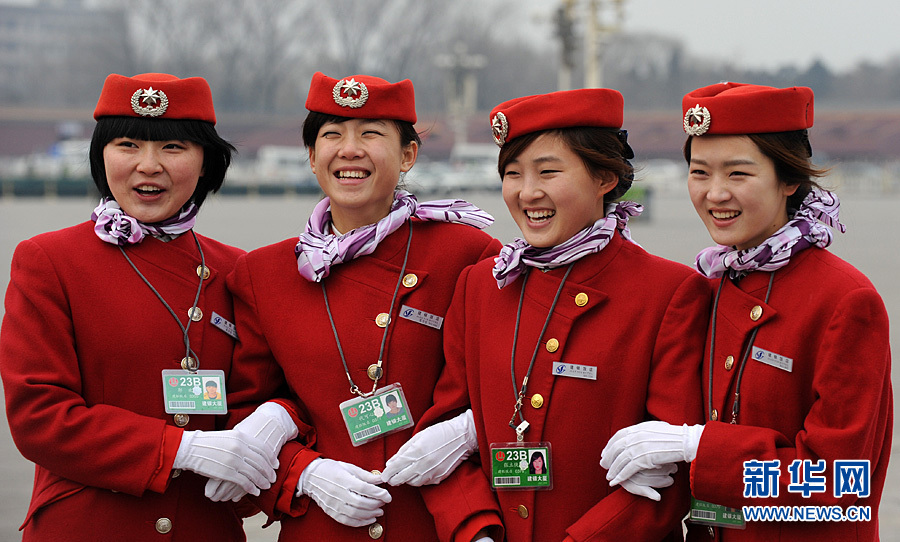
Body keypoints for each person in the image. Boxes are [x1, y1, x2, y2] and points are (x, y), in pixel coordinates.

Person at [381, 88, 710, 541]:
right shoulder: (482, 286)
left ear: (605, 178)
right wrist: (475, 531)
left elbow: (668, 471)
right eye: (512, 174)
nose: (527, 192)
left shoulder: (669, 292)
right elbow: (444, 438)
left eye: (548, 172)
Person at [0, 73, 304, 541]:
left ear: (206, 163)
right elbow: (39, 417)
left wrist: (277, 417)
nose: (148, 165)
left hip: (204, 528)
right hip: (88, 527)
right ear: (101, 155)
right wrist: (180, 449)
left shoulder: (238, 271)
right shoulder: (50, 261)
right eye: (127, 145)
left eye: (174, 148)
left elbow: (274, 392)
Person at [600, 82, 892, 541]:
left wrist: (698, 446)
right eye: (699, 173)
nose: (715, 194)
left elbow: (843, 483)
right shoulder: (709, 285)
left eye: (738, 174)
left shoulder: (844, 300)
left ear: (789, 178)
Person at [223, 71, 501, 540]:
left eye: (371, 134)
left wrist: (473, 433)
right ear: (312, 158)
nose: (349, 150)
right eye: (332, 135)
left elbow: (502, 386)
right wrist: (303, 474)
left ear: (408, 154)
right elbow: (242, 412)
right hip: (322, 524)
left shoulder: (465, 255)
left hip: (433, 525)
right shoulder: (264, 274)